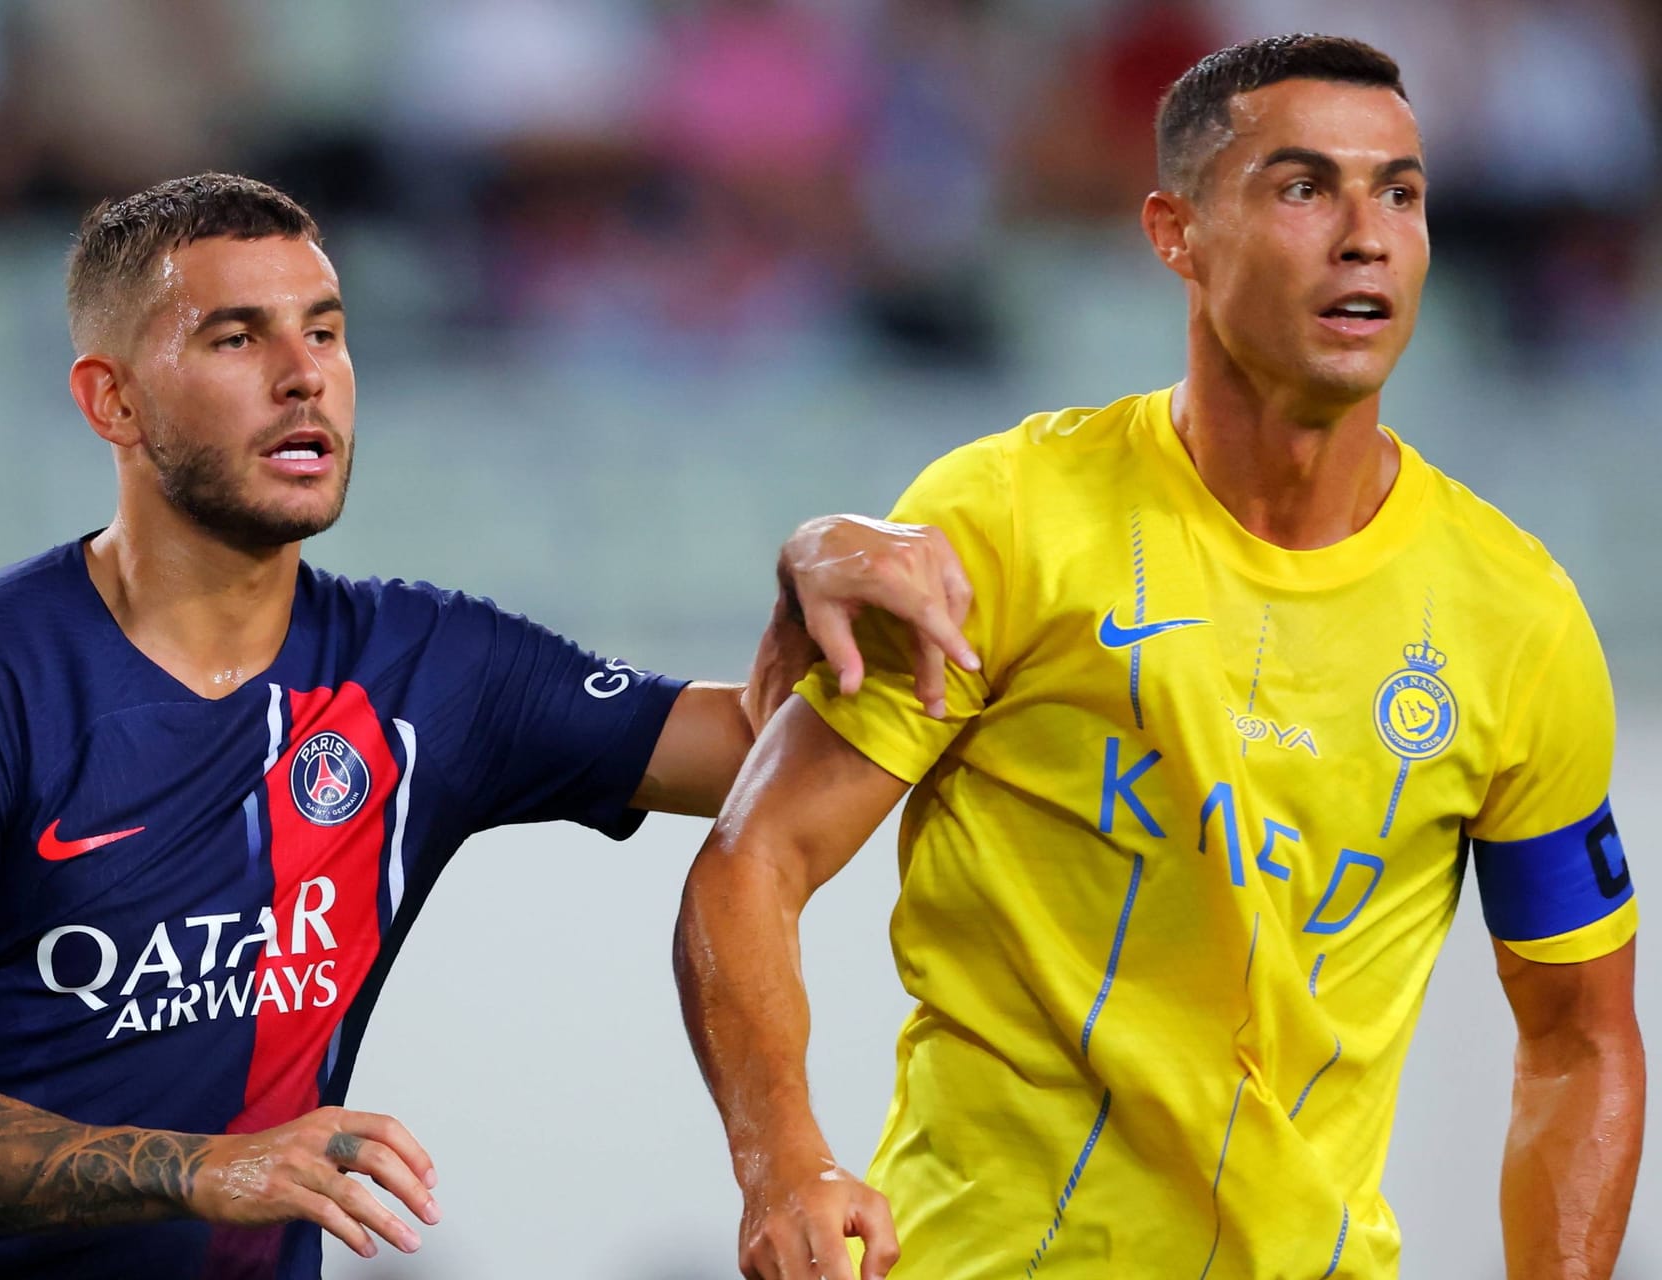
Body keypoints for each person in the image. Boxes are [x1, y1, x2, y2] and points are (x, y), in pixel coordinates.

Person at [0, 173, 976, 1280]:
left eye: (328, 329)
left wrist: (814, 559)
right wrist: (203, 1164)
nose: (304, 374)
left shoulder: (426, 667)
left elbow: (760, 751)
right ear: (114, 401)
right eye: (237, 336)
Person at [676, 34, 1642, 1280]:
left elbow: (1579, 1028)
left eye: (1400, 191)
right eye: (1304, 188)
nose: (1366, 235)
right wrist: (786, 1161)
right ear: (1174, 233)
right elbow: (754, 860)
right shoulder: (1008, 521)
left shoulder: (1517, 614)